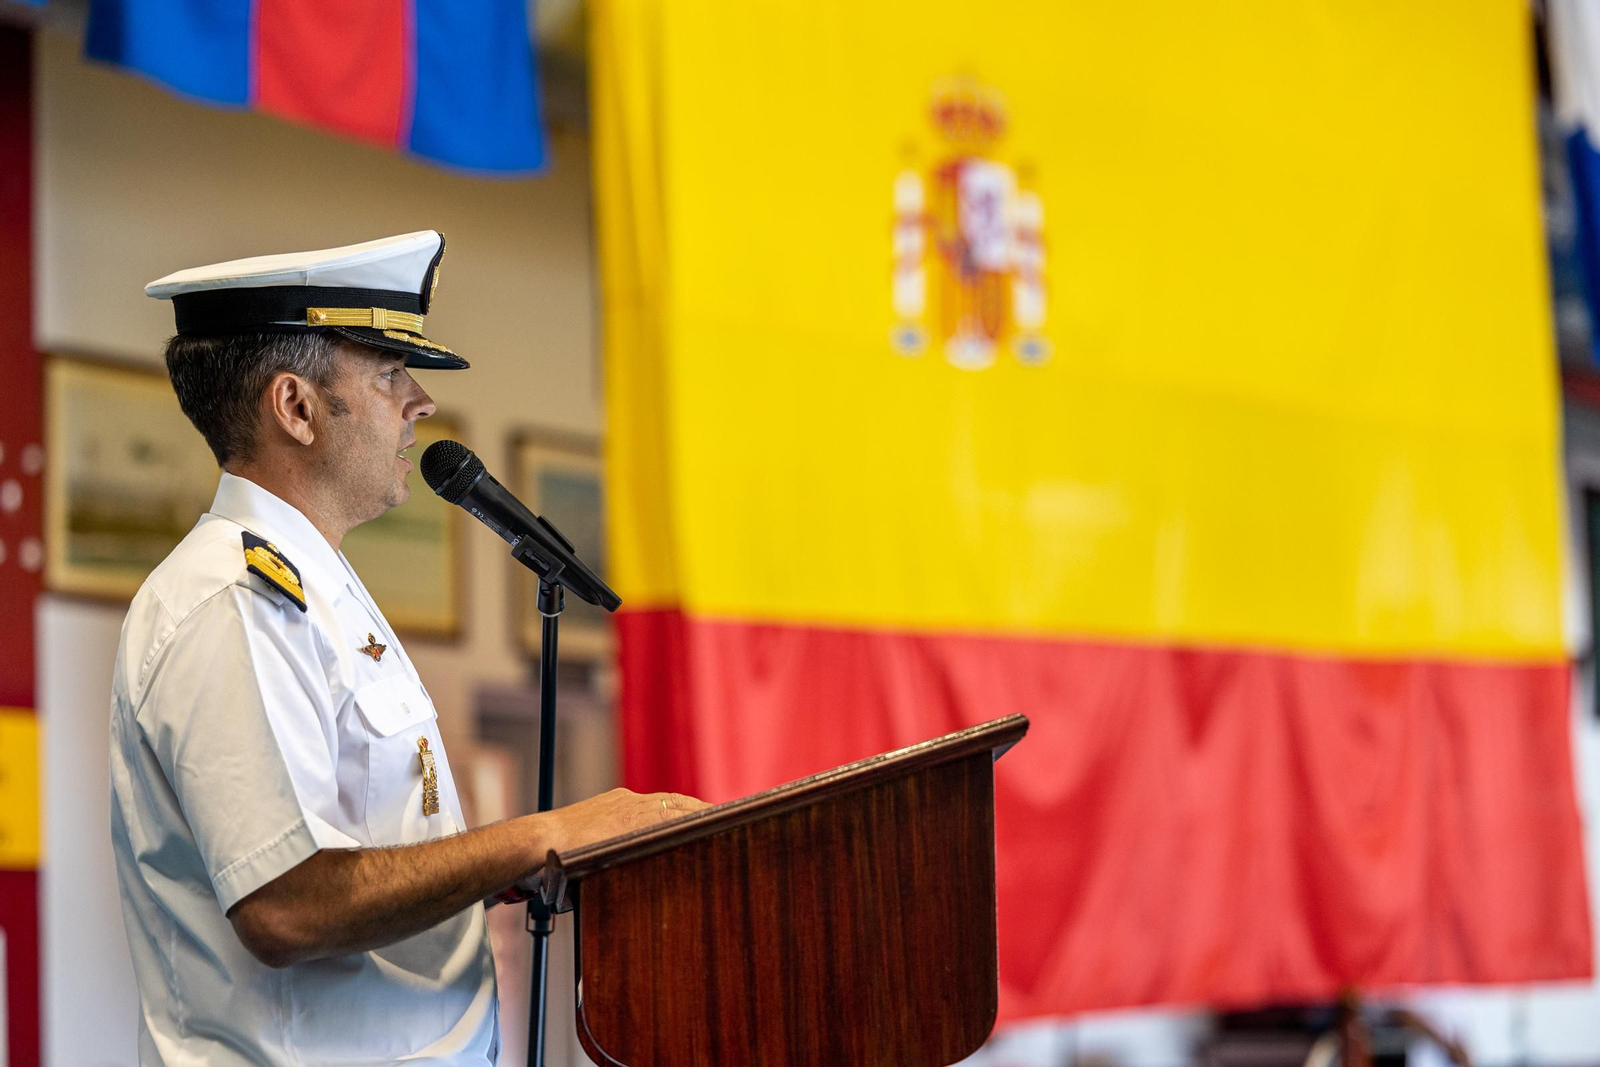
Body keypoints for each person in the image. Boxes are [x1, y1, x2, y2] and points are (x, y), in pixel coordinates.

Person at [108, 231, 706, 1066]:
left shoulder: (319, 588)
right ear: (296, 408)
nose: (419, 402)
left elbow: (361, 855)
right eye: (390, 373)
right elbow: (284, 904)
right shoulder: (234, 599)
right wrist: (536, 836)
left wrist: (512, 864)